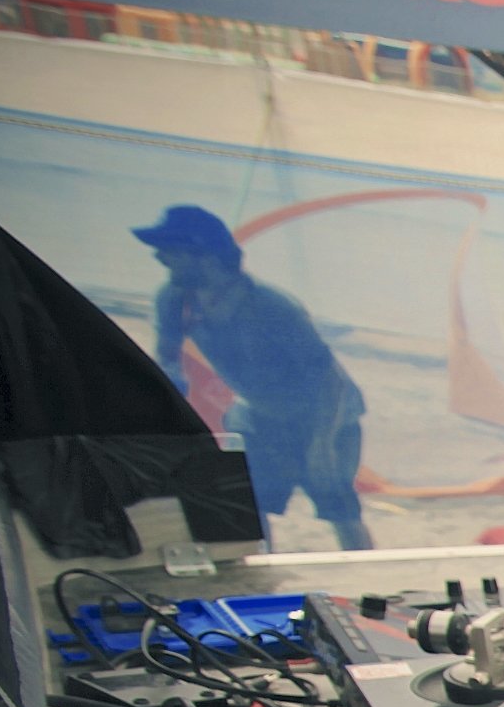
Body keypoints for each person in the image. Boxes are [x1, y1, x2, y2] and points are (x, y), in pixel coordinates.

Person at [133, 205, 373, 550]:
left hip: (324, 417)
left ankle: (367, 570)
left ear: (205, 256)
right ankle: (264, 571)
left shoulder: (271, 307)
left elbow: (329, 380)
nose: (160, 257)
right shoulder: (174, 299)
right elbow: (168, 363)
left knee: (339, 509)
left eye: (171, 250)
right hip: (259, 415)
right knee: (250, 505)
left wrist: (321, 445)